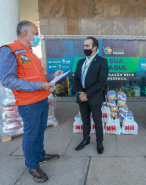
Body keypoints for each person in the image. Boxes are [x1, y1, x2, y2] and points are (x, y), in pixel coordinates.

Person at [0, 21, 63, 183]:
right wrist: (39, 85)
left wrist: (51, 76)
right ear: (25, 33)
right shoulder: (10, 51)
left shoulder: (30, 53)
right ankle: (32, 165)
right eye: (35, 33)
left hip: (41, 99)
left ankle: (40, 155)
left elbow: (38, 78)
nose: (37, 37)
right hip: (28, 103)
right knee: (31, 134)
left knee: (40, 131)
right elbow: (7, 80)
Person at [74, 37, 108, 154]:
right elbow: (76, 79)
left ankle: (99, 142)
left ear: (94, 48)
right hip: (81, 97)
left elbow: (101, 82)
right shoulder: (80, 62)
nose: (85, 48)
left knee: (97, 121)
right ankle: (86, 139)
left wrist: (87, 94)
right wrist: (81, 93)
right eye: (84, 46)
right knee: (85, 120)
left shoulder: (102, 62)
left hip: (94, 97)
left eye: (87, 46)